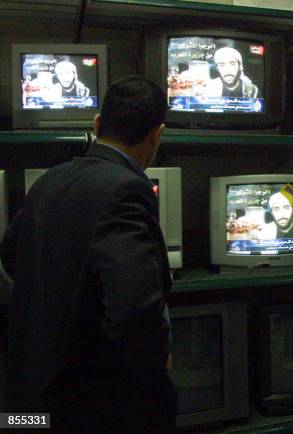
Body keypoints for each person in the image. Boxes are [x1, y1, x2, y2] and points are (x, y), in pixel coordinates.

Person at [0, 76, 176, 434]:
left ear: (96, 124)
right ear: (157, 134)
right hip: (88, 408)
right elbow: (133, 311)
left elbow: (11, 257)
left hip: (27, 403)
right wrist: (157, 365)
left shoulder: (50, 180)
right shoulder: (126, 189)